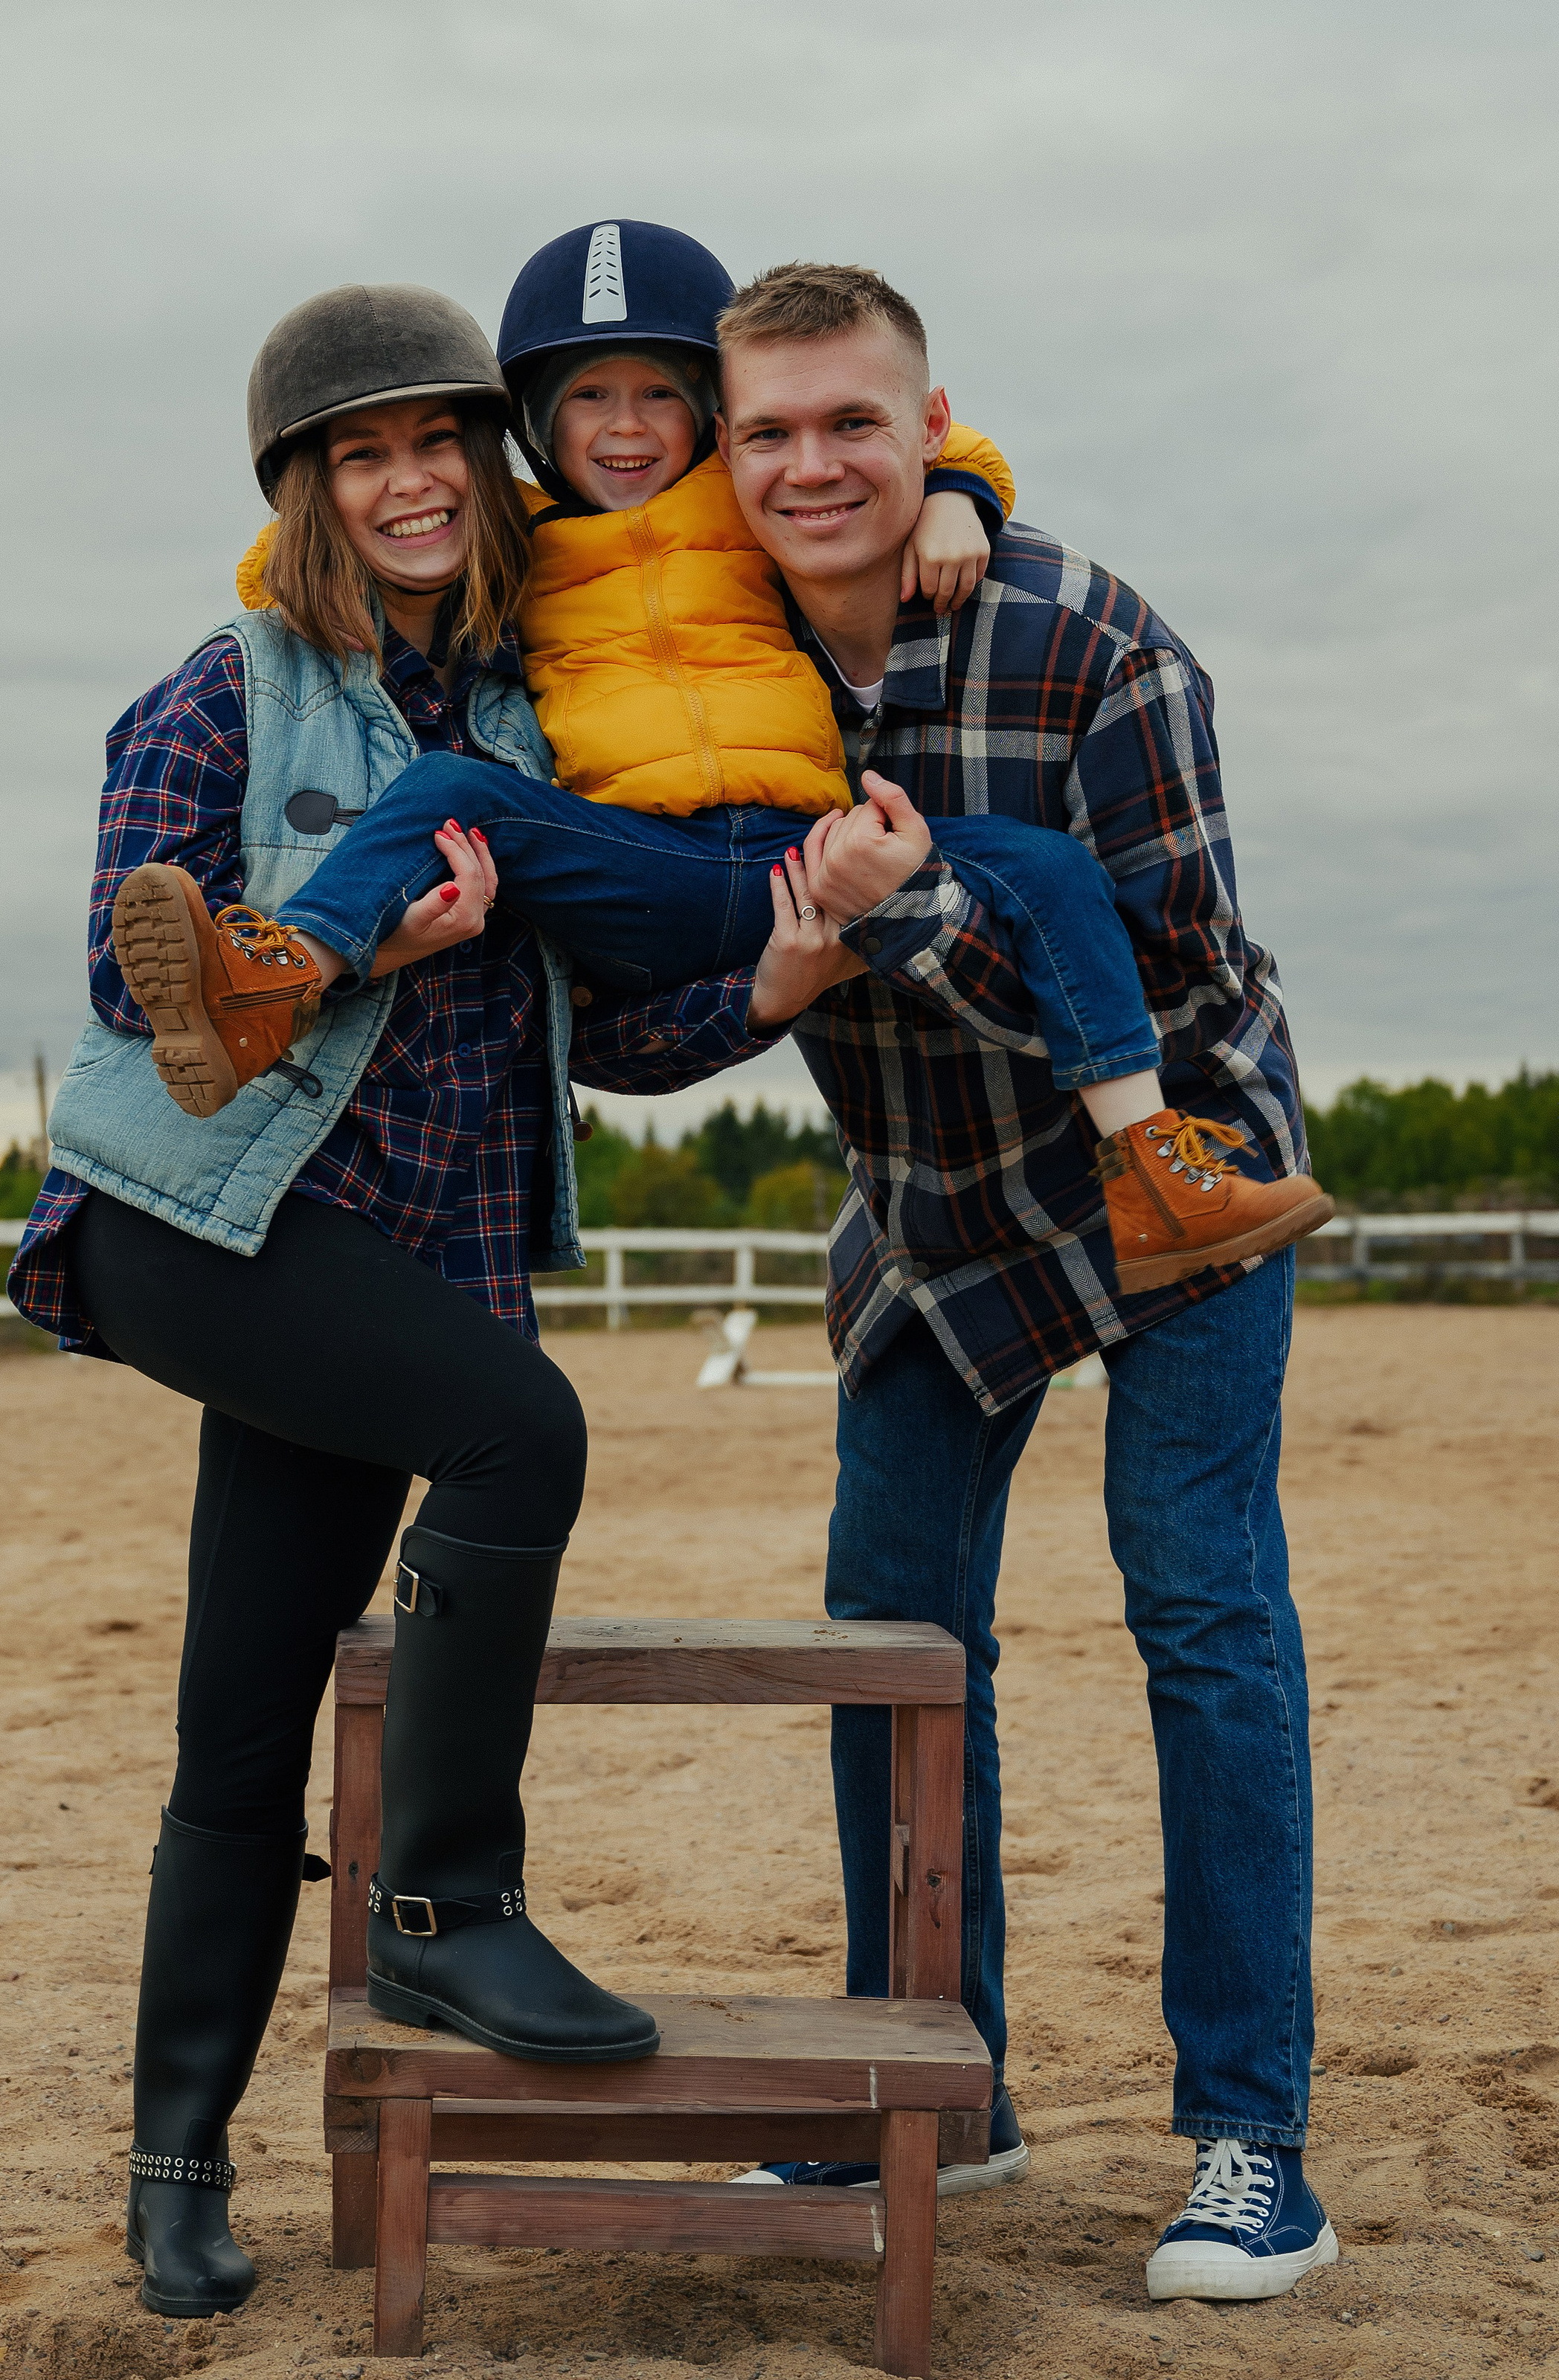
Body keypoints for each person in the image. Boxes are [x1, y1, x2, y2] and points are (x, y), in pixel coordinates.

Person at [6, 282, 843, 2323]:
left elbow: (599, 1033)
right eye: (361, 454)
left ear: (485, 467)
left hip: (401, 1250)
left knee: (244, 1706)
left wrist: (772, 985)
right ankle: (449, 1905)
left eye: (437, 445)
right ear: (307, 492)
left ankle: (173, 2169)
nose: (408, 482)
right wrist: (370, 946)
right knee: (517, 1430)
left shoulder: (536, 729)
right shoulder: (228, 690)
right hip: (202, 1213)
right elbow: (133, 978)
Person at [120, 222, 1329, 1298]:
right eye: (591, 398)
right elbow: (326, 545)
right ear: (536, 426)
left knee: (1051, 869)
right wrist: (303, 588)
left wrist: (958, 497)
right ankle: (277, 977)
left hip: (806, 854)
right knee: (448, 791)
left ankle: (1152, 1168)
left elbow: (919, 446)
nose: (627, 425)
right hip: (647, 865)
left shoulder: (742, 501)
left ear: (708, 409)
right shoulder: (517, 539)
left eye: (659, 392)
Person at [710, 263, 1339, 2307]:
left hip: (1175, 1175)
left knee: (1199, 1608)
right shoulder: (708, 657)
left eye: (854, 422)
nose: (812, 464)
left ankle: (1250, 2143)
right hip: (929, 1206)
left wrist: (910, 916)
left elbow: (1175, 978)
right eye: (769, 428)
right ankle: (936, 2090)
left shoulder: (1092, 642)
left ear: (931, 427)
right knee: (890, 1643)